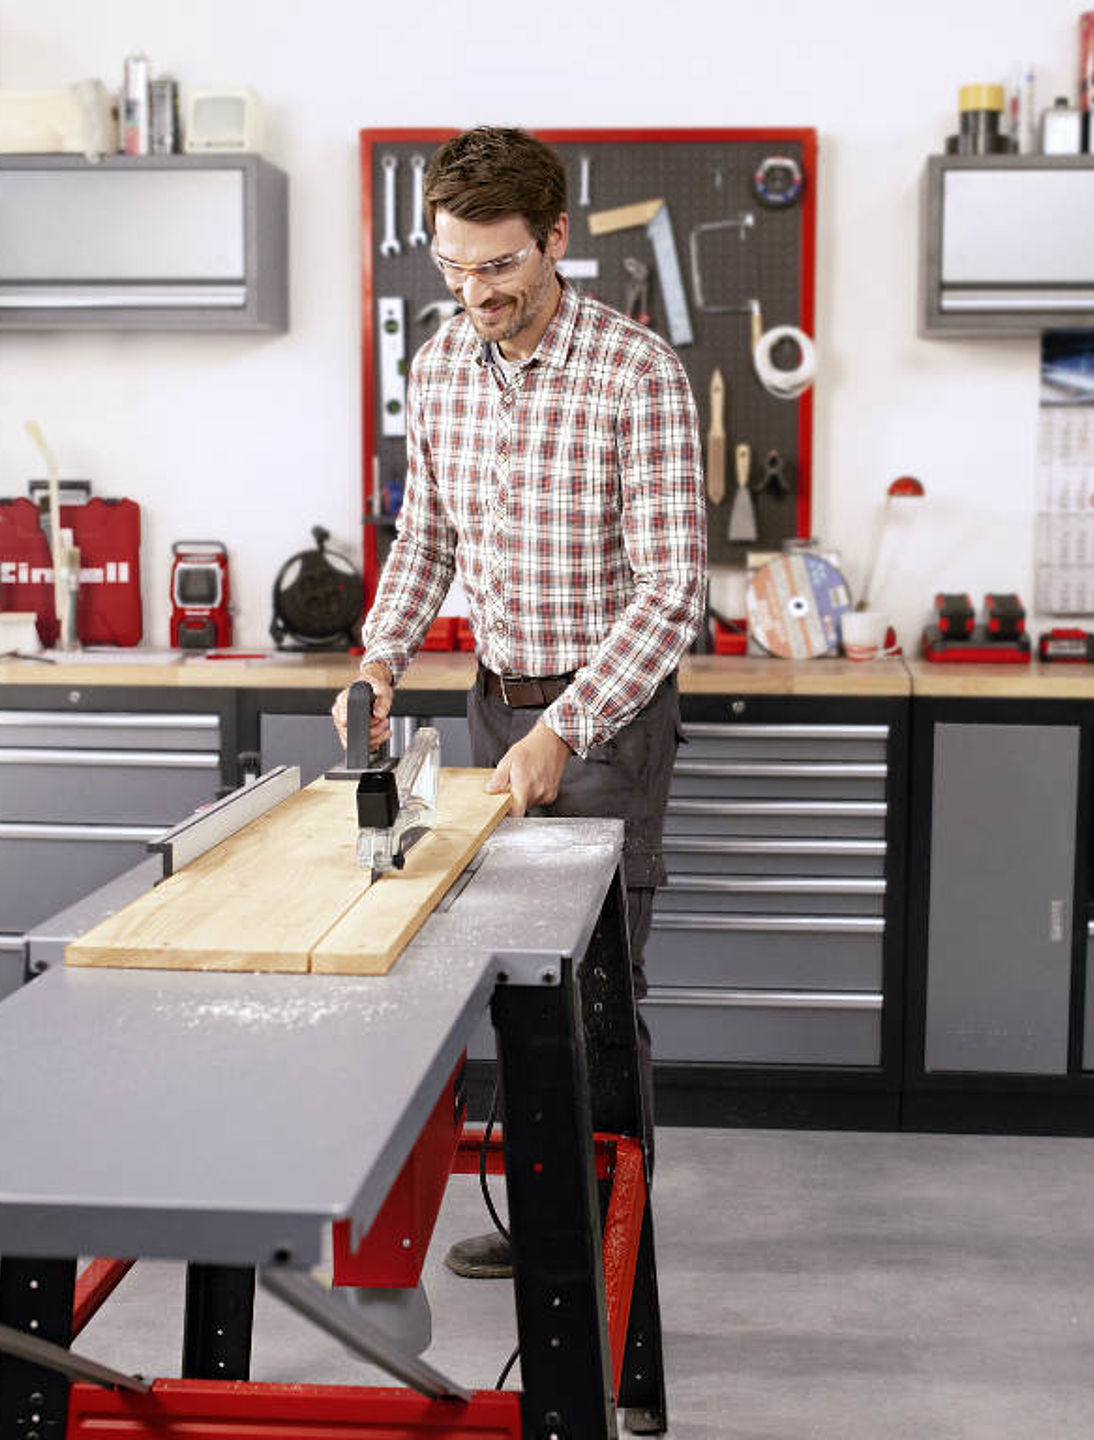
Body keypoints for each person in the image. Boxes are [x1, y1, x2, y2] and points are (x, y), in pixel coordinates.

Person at [332, 125, 706, 1280]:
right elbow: (428, 534)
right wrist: (379, 660)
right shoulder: (439, 364)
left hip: (604, 721)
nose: (473, 290)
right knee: (506, 983)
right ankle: (545, 1214)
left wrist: (566, 728)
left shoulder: (636, 369)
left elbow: (674, 590)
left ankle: (611, 1262)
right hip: (495, 712)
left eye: (497, 265)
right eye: (452, 265)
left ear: (554, 239)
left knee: (595, 999)